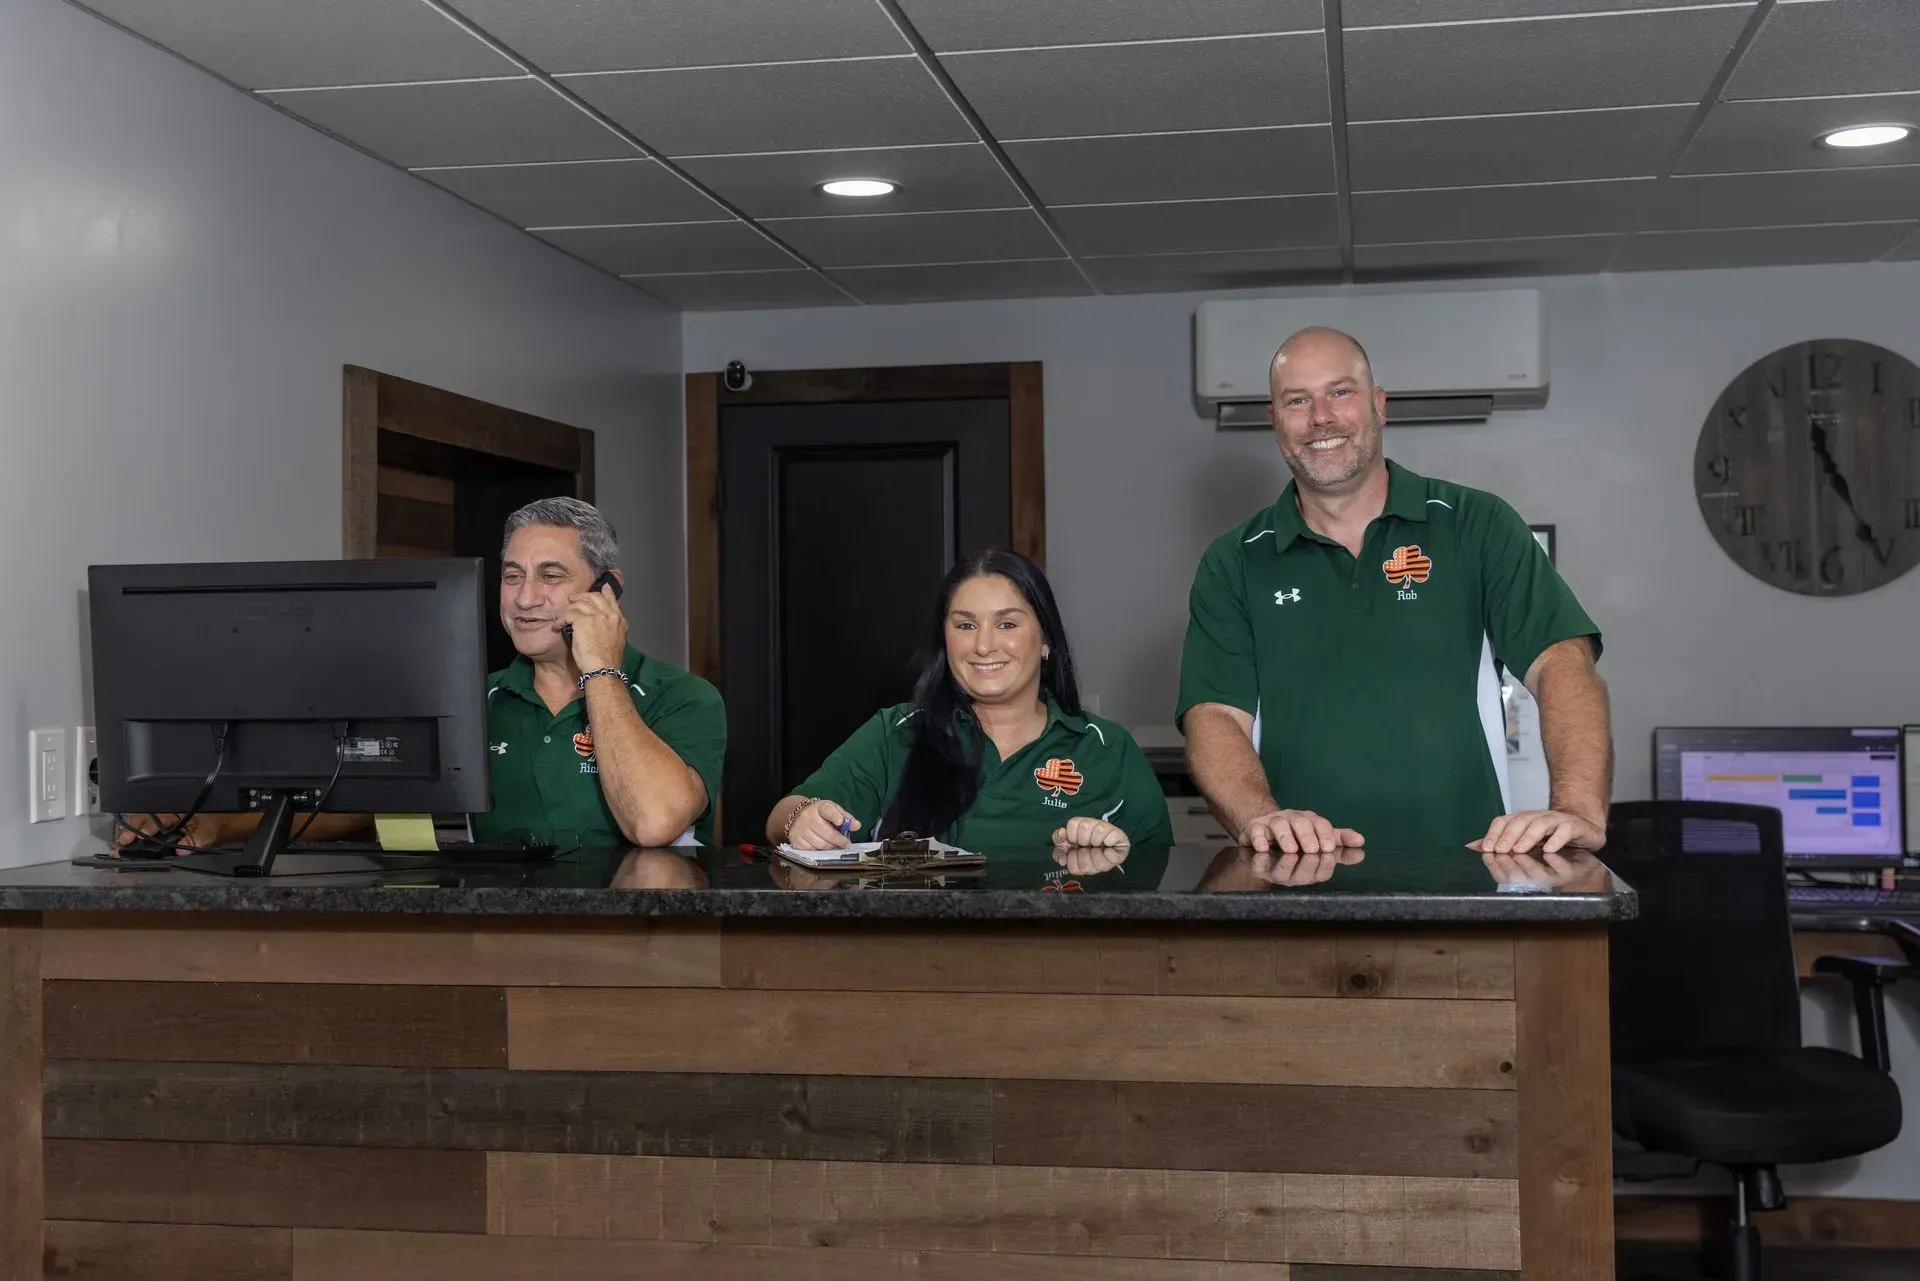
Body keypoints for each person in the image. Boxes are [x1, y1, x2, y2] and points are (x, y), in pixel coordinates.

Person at [1178, 326, 1611, 874]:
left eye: (1340, 392)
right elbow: (1214, 714)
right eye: (1297, 400)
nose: (1321, 417)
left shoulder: (1477, 525)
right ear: (1275, 421)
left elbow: (1561, 662)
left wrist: (1577, 807)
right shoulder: (1234, 560)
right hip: (1292, 886)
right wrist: (1257, 817)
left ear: (1378, 405)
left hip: (1467, 879)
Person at [119, 497, 724, 850]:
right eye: (512, 576)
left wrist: (599, 673)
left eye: (552, 575)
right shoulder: (476, 699)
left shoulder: (682, 698)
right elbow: (372, 803)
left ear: (607, 591)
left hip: (643, 959)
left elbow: (653, 822)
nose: (525, 598)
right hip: (496, 950)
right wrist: (219, 824)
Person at [767, 549, 1173, 853]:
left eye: (1007, 624)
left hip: (1060, 960)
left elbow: (1163, 877)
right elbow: (782, 814)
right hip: (916, 957)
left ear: (1046, 640)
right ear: (946, 639)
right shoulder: (897, 732)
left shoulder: (1108, 749)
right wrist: (800, 820)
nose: (983, 645)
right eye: (965, 625)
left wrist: (1116, 854)